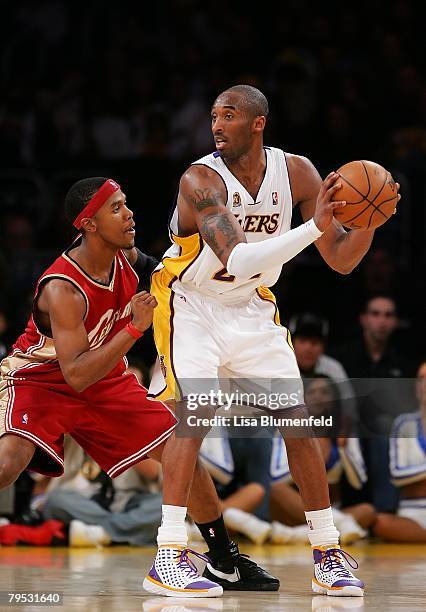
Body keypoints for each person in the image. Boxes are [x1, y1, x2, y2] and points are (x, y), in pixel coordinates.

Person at [147, 84, 399, 596]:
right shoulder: (200, 178)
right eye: (213, 116)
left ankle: (327, 551)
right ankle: (168, 554)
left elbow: (342, 259)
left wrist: (369, 219)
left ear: (258, 123)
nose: (217, 125)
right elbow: (235, 260)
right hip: (192, 303)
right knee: (193, 412)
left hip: (252, 306)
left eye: (229, 115)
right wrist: (314, 227)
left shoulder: (298, 173)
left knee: (298, 420)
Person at [0, 177, 274, 598]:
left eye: (126, 203)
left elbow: (175, 280)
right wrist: (132, 329)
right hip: (42, 380)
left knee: (180, 450)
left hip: (105, 377)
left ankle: (224, 559)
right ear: (88, 224)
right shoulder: (62, 287)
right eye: (115, 208)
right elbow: (75, 374)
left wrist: (229, 275)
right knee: (8, 462)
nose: (129, 213)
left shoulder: (127, 257)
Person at [332, 295, 411, 512]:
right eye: (375, 314)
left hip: (384, 431)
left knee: (385, 427)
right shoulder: (342, 358)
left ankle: (384, 513)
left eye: (388, 315)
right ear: (363, 319)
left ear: (395, 322)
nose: (382, 321)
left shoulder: (404, 363)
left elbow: (405, 410)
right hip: (346, 427)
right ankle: (341, 510)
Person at [372, 360, 426, 542]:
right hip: (413, 515)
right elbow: (397, 474)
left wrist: (418, 482)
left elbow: (410, 479)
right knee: (381, 523)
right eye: (421, 378)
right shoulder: (404, 424)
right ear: (416, 387)